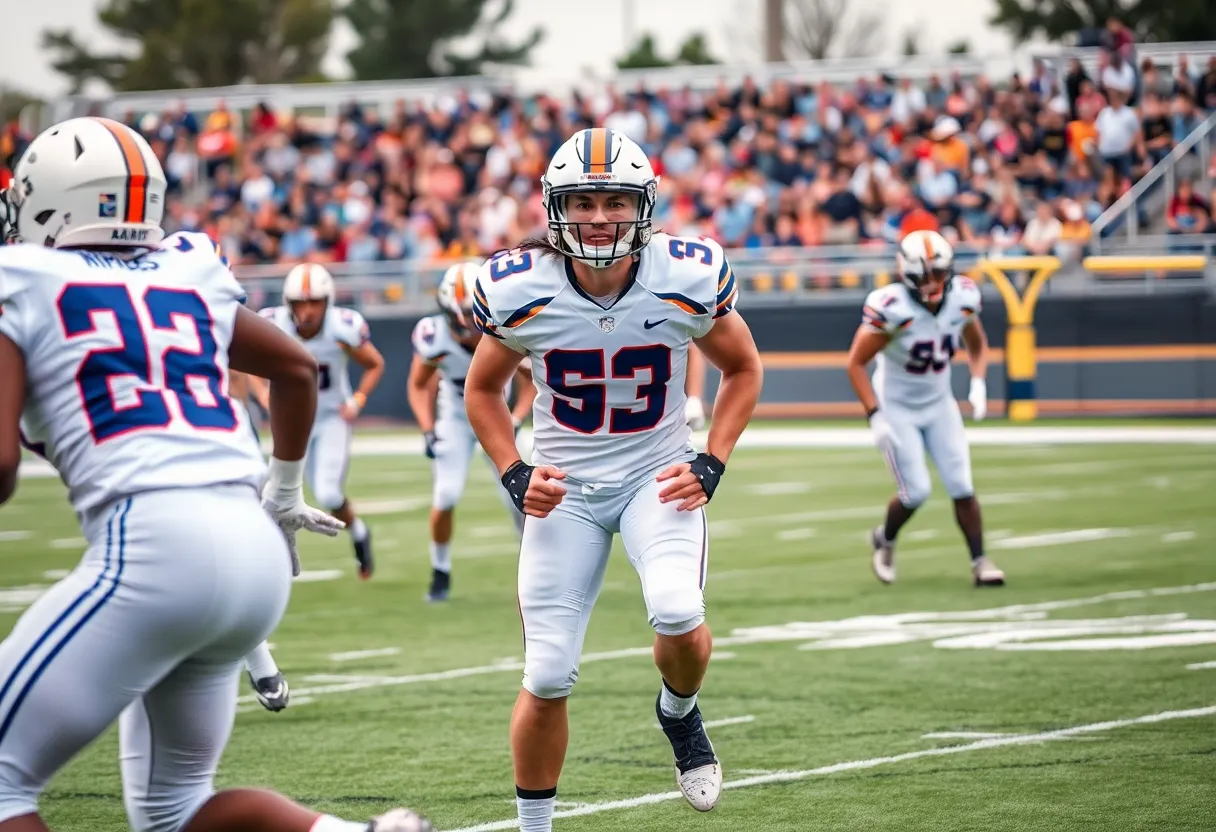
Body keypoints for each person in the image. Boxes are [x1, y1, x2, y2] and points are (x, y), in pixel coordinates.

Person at [0, 117, 431, 832]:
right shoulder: (187, 268)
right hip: (252, 546)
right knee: (176, 809)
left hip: (152, 545)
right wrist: (286, 491)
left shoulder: (22, 277)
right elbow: (295, 366)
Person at [464, 128, 764, 831]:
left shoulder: (683, 277)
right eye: (584, 202)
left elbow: (744, 367)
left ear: (643, 207)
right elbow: (482, 392)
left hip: (655, 477)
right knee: (546, 673)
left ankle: (679, 714)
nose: (600, 217)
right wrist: (514, 471)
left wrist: (712, 458)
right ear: (555, 207)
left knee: (678, 615)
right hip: (564, 491)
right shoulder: (518, 288)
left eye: (614, 202)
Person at [845, 229, 1006, 588]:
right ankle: (885, 538)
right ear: (906, 274)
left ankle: (980, 561)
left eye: (938, 274)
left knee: (962, 484)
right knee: (915, 492)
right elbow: (855, 363)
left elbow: (977, 344)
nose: (933, 283)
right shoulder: (892, 308)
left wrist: (978, 382)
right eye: (924, 276)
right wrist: (875, 416)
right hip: (897, 407)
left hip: (938, 403)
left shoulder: (962, 296)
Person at [407, 261, 536, 602]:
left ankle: (533, 567)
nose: (465, 325)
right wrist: (427, 428)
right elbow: (418, 384)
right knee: (446, 495)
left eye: (471, 313)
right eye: (457, 315)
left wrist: (518, 416)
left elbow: (531, 383)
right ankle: (440, 570)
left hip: (499, 418)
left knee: (521, 497)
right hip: (455, 418)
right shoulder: (433, 335)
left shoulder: (507, 328)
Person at [258, 263, 384, 580]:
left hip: (330, 417)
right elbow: (246, 364)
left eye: (314, 301)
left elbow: (375, 364)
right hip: (290, 417)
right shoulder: (271, 323)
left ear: (328, 302)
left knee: (327, 494)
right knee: (275, 489)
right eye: (300, 302)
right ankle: (271, 562)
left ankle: (358, 532)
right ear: (288, 303)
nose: (308, 310)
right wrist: (262, 394)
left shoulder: (343, 327)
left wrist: (358, 399)